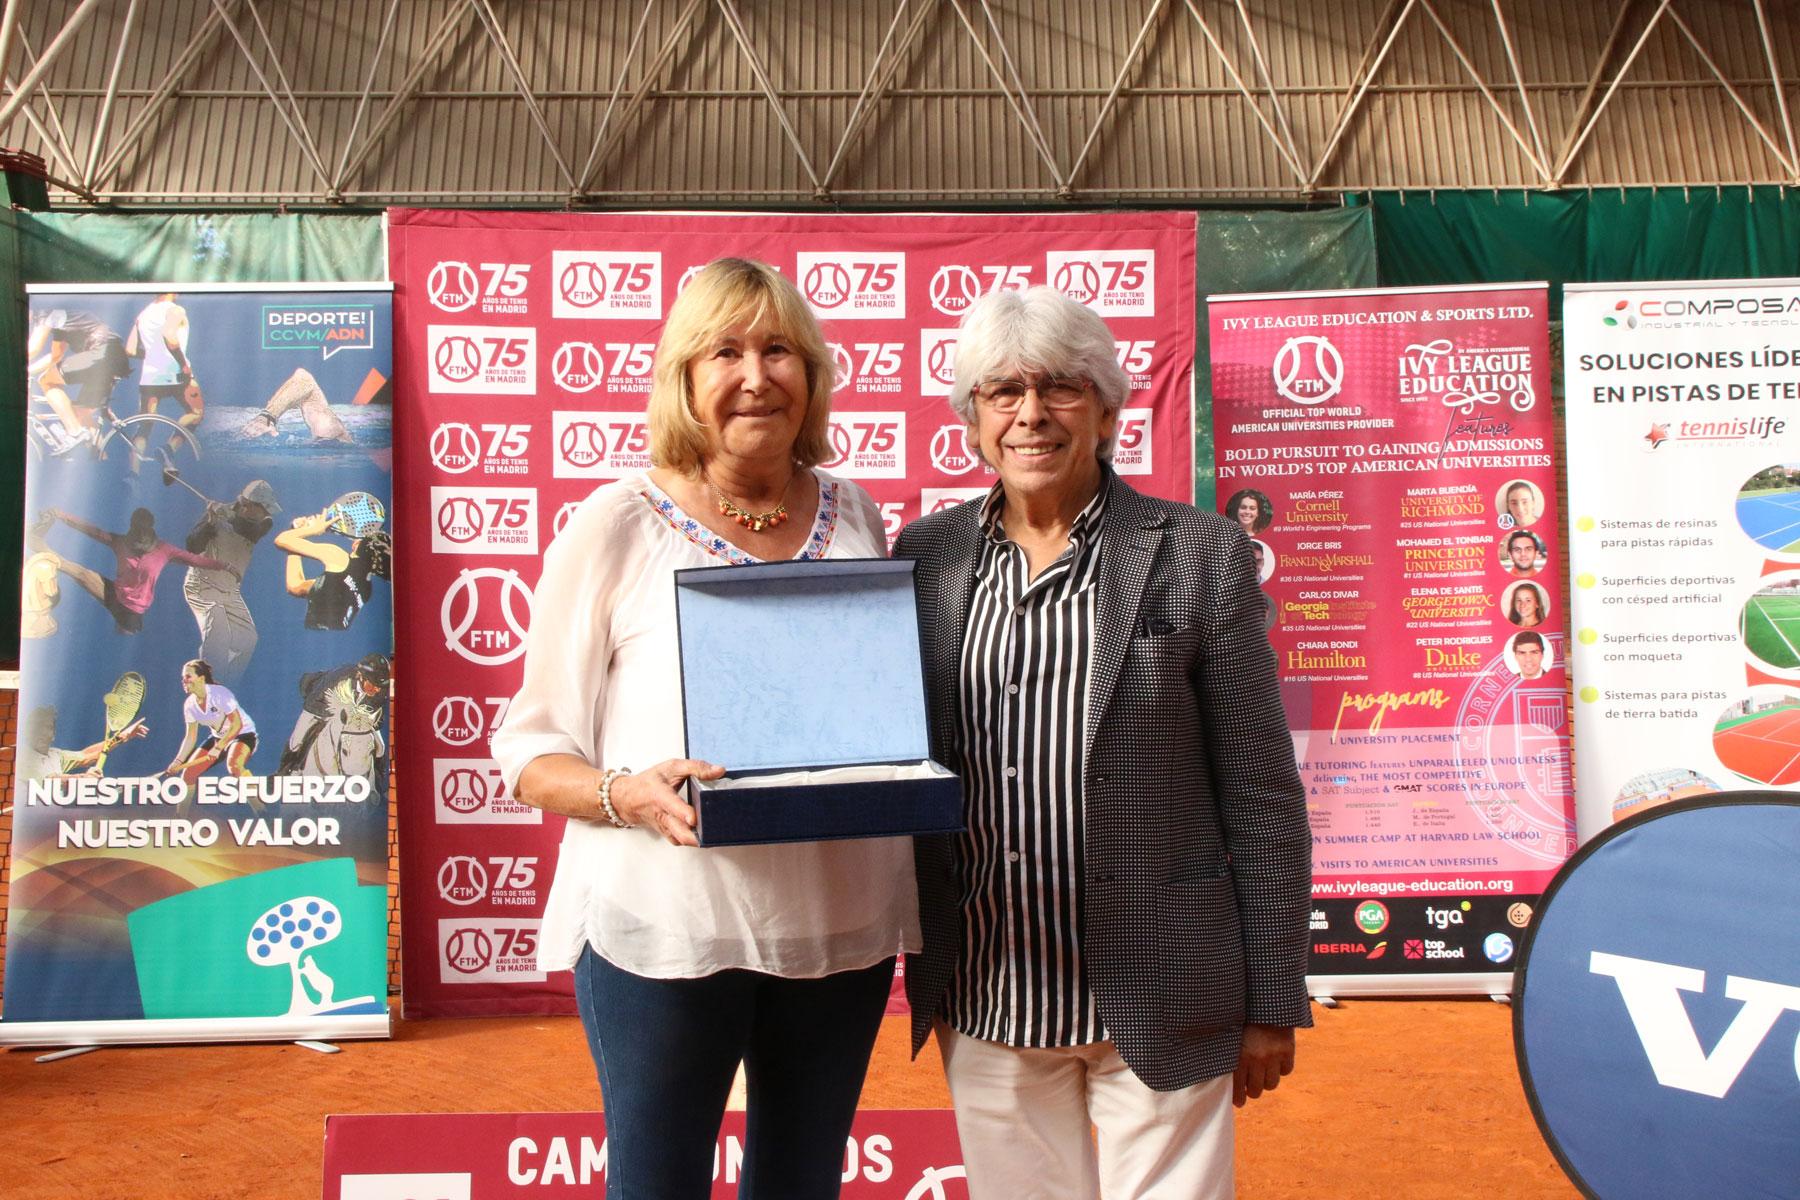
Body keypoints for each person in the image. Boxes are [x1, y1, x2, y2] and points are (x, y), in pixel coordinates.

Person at [489, 257, 920, 1200]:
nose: (756, 376)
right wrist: (627, 794)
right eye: (724, 352)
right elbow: (528, 750)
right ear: (684, 379)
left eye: (779, 350)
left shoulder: (856, 512)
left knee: (802, 1186)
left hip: (835, 924)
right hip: (665, 923)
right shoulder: (616, 523)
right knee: (656, 1187)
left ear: (811, 374)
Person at [893, 287, 1312, 1200]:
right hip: (989, 988)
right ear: (971, 421)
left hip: (1167, 987)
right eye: (1001, 392)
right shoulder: (923, 557)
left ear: (1110, 411)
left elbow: (1262, 791)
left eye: (1060, 388)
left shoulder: (1198, 552)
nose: (1030, 414)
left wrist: (1273, 997)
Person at [29, 507, 227, 635]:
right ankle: (40, 547)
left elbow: (195, 559)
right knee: (80, 573)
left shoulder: (164, 550)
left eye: (143, 531)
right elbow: (91, 530)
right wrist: (62, 515)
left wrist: (224, 566)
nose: (139, 538)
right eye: (136, 530)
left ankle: (125, 627)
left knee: (124, 626)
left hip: (132, 611)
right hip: (115, 593)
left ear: (150, 530)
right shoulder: (121, 542)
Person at [183, 479, 281, 681]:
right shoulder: (216, 516)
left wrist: (226, 515)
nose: (267, 513)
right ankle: (207, 686)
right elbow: (191, 546)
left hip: (229, 591)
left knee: (248, 640)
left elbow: (249, 530)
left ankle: (228, 687)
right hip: (202, 585)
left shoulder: (264, 523)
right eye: (263, 508)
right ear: (248, 505)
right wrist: (210, 523)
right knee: (217, 627)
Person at [276, 653, 391, 788]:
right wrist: (336, 713)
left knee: (381, 747)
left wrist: (361, 719)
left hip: (356, 717)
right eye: (373, 684)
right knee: (297, 739)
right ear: (361, 676)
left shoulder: (380, 691)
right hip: (319, 707)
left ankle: (379, 785)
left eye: (380, 686)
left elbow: (378, 719)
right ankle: (284, 773)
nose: (377, 689)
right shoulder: (338, 677)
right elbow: (311, 703)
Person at [27, 308, 130, 452]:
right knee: (81, 413)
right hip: (114, 356)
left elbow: (33, 349)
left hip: (100, 353)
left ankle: (75, 433)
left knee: (46, 380)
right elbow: (55, 356)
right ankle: (99, 461)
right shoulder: (60, 321)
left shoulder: (45, 313)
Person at [274, 516, 392, 631]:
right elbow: (295, 587)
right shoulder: (366, 590)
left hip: (314, 638)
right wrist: (295, 544)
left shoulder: (339, 557)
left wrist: (311, 530)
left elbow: (281, 540)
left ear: (358, 544)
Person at [165, 659, 257, 782]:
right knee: (188, 776)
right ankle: (184, 802)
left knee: (234, 767)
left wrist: (218, 748)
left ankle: (259, 800)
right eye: (183, 677)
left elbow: (237, 724)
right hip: (217, 738)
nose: (184, 680)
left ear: (201, 678)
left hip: (243, 734)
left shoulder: (220, 693)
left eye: (188, 676)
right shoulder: (189, 705)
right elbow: (190, 737)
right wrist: (177, 761)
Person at [126, 292, 203, 439]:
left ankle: (135, 462)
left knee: (145, 425)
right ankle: (168, 449)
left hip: (150, 378)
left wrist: (151, 355)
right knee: (196, 413)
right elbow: (169, 336)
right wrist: (183, 364)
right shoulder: (175, 310)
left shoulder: (143, 315)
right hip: (177, 373)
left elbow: (130, 350)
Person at [18, 705, 148, 781]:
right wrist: (83, 778)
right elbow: (52, 780)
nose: (41, 733)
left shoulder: (56, 755)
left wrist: (121, 737)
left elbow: (86, 755)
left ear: (53, 735)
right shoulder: (23, 758)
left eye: (47, 728)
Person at [239, 368, 352, 442]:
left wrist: (268, 416)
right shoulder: (332, 431)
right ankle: (267, 416)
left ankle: (267, 417)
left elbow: (306, 381)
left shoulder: (332, 429)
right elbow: (302, 377)